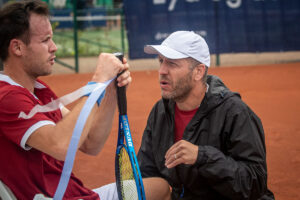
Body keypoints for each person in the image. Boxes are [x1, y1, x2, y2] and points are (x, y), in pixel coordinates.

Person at [0, 0, 171, 199]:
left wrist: (110, 94)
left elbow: (91, 143)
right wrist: (97, 81)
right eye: (45, 40)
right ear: (17, 47)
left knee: (160, 187)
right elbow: (60, 145)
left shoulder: (38, 90)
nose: (54, 47)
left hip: (74, 193)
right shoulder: (7, 97)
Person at [137, 31, 275, 200]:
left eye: (172, 64)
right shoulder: (160, 111)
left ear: (198, 72)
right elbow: (147, 172)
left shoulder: (235, 113)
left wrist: (202, 157)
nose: (162, 70)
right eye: (161, 61)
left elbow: (255, 183)